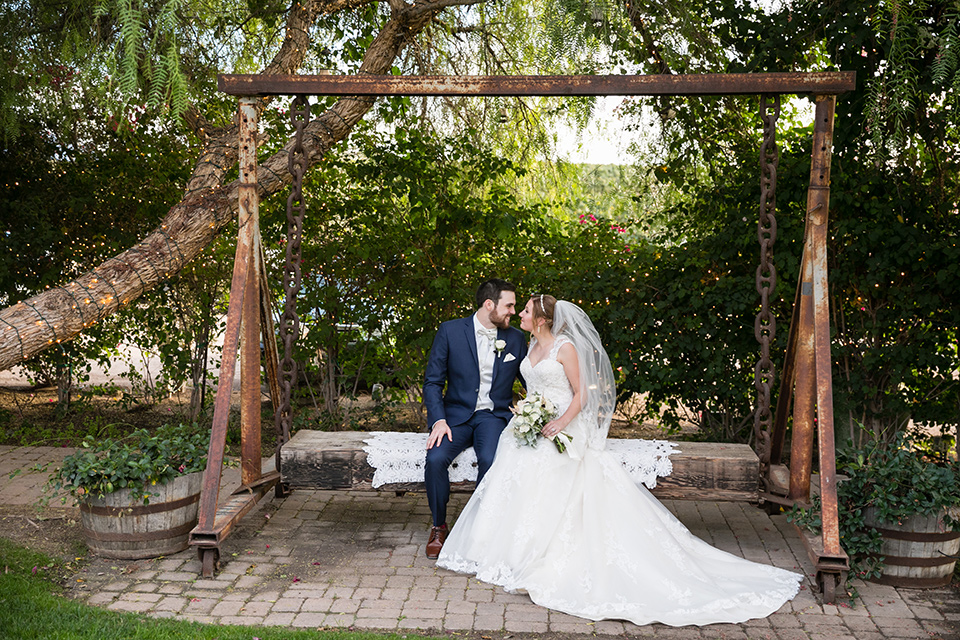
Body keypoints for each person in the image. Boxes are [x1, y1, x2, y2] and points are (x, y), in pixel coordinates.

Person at [437, 294, 803, 626]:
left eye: (528, 311)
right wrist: (529, 412)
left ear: (543, 319)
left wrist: (559, 422)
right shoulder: (529, 344)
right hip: (530, 423)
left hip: (562, 425)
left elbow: (581, 394)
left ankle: (539, 551)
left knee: (548, 471)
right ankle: (503, 551)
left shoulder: (565, 348)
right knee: (511, 470)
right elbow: (530, 384)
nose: (522, 315)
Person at [422, 279, 527, 559]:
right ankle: (439, 527)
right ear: (489, 304)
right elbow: (432, 382)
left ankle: (479, 531)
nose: (513, 312)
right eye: (509, 305)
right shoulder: (450, 331)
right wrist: (438, 421)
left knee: (492, 461)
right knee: (434, 459)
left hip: (493, 416)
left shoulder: (515, 338)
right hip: (454, 416)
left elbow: (531, 380)